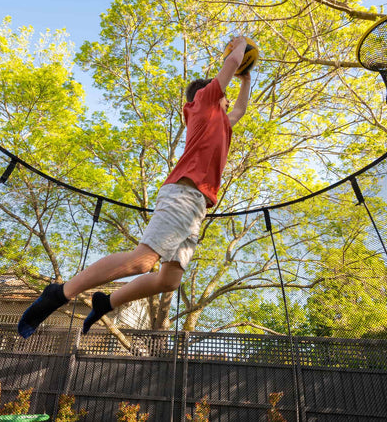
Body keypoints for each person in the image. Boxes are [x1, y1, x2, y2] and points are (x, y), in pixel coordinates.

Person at [17, 35, 254, 338]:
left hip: (196, 208)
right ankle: (61, 292)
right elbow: (230, 64)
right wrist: (239, 48)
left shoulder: (222, 121)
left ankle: (107, 302)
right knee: (143, 261)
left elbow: (240, 110)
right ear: (209, 93)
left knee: (169, 280)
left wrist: (246, 77)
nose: (228, 99)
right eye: (225, 92)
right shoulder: (203, 104)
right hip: (183, 194)